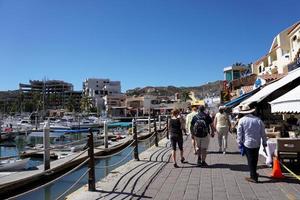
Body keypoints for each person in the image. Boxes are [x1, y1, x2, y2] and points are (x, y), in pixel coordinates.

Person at [236, 104, 267, 183]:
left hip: (247, 143)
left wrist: (239, 143)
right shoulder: (258, 120)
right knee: (255, 159)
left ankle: (253, 176)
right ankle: (254, 173)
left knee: (250, 160)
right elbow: (263, 132)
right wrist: (264, 142)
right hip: (257, 143)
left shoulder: (242, 120)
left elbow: (239, 133)